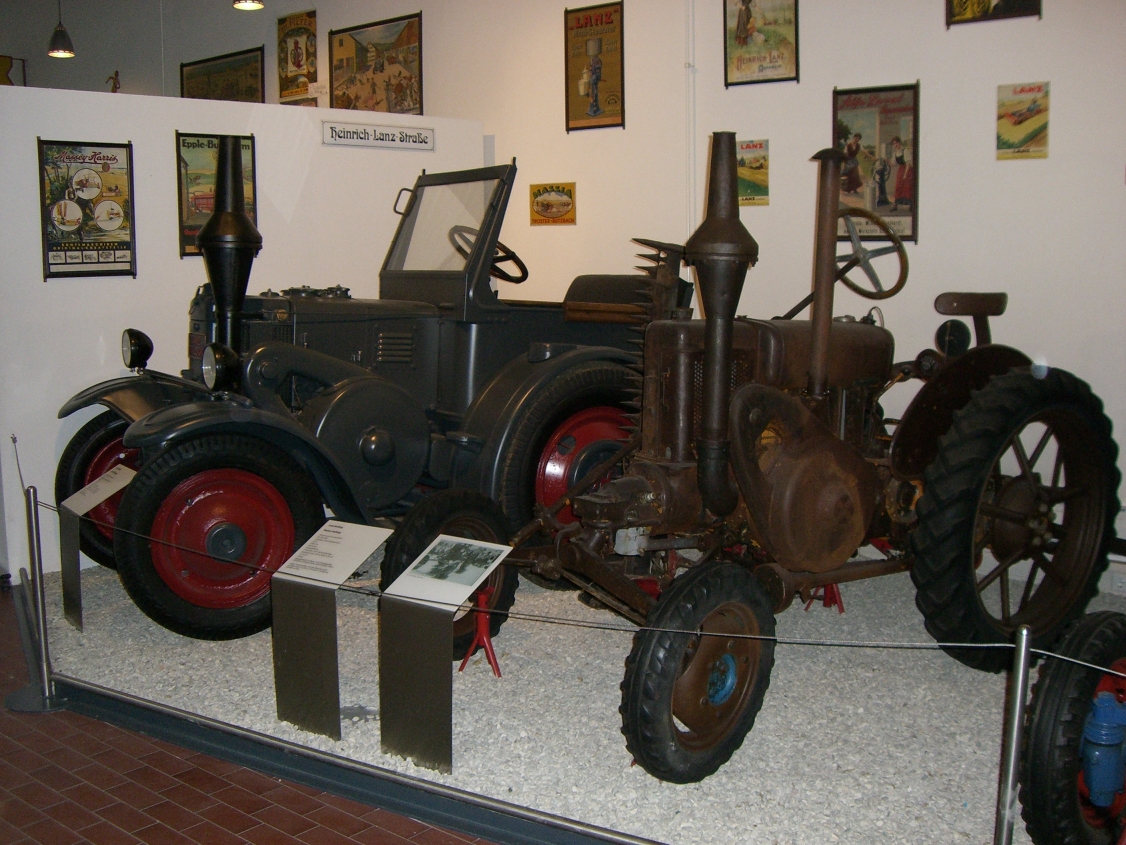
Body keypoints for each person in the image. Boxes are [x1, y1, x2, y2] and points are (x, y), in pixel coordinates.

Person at [890, 137, 914, 213]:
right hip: (900, 171)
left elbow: (908, 164)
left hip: (907, 170)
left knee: (908, 187)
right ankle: (895, 206)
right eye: (894, 144)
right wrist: (887, 161)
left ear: (900, 142)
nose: (896, 145)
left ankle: (911, 206)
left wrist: (905, 174)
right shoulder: (895, 153)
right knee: (898, 187)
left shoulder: (905, 150)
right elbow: (894, 164)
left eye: (896, 143)